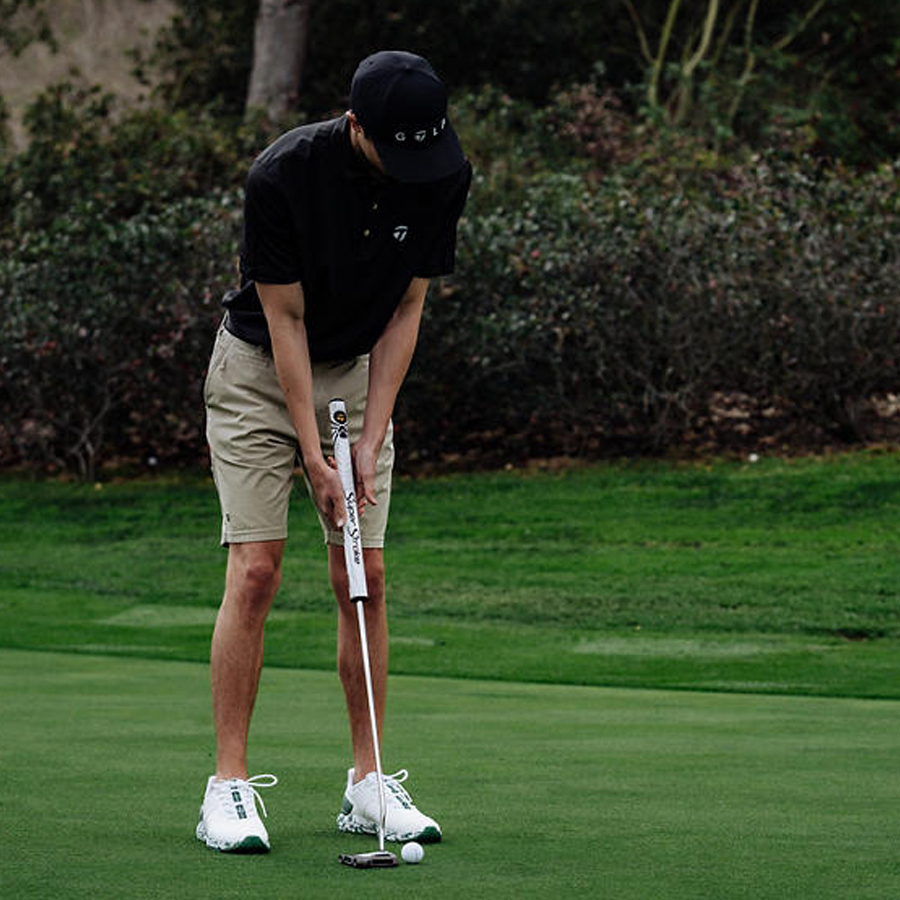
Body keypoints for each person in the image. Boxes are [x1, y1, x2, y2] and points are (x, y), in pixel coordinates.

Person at [196, 50, 472, 853]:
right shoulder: (282, 175)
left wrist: (371, 435)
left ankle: (366, 782)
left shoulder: (441, 172)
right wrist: (314, 458)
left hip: (355, 374)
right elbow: (284, 321)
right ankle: (228, 786)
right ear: (356, 126)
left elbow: (407, 308)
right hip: (259, 371)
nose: (415, 166)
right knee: (257, 569)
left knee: (365, 575)